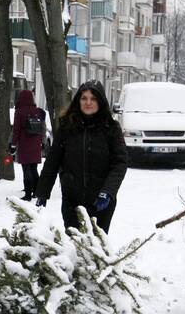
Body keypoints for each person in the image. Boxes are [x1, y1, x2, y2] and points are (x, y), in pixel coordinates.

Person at [35, 81, 128, 233]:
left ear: (100, 101)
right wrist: (43, 193)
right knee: (73, 242)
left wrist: (108, 192)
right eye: (84, 98)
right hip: (72, 200)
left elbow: (120, 163)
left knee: (96, 248)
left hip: (101, 200)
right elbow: (53, 161)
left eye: (93, 99)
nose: (88, 102)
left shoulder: (111, 128)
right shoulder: (67, 127)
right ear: (78, 101)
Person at [10, 89, 47, 201]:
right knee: (34, 169)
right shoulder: (37, 111)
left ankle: (27, 194)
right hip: (36, 145)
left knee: (26, 170)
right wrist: (42, 143)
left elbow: (16, 130)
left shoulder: (19, 111)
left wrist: (13, 144)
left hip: (24, 144)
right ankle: (36, 192)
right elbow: (42, 129)